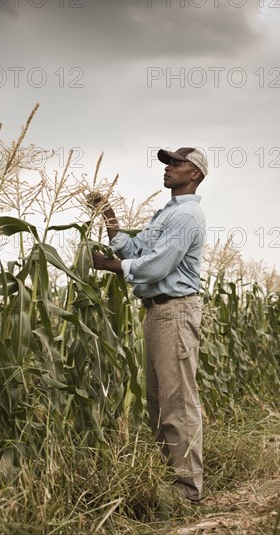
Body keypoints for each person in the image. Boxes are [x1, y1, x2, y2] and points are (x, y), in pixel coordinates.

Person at [92, 147, 208, 502]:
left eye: (177, 163)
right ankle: (170, 479)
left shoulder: (187, 216)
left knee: (177, 401)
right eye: (167, 162)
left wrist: (110, 266)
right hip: (158, 312)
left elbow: (158, 266)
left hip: (175, 311)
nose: (169, 168)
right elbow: (136, 249)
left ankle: (187, 488)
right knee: (158, 401)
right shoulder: (166, 214)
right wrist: (109, 216)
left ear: (195, 174)